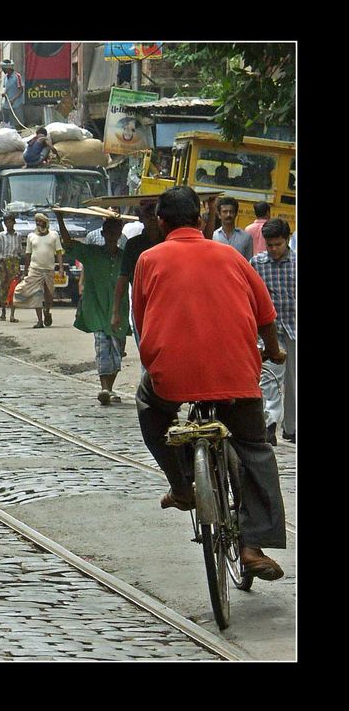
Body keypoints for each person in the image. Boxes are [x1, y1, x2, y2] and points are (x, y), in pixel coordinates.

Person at [132, 186, 287, 580]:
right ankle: (253, 546)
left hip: (172, 377)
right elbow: (265, 314)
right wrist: (274, 350)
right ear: (202, 221)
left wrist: (157, 360)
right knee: (254, 447)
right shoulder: (231, 256)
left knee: (149, 408)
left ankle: (182, 486)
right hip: (237, 373)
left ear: (161, 223)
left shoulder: (148, 259)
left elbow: (141, 320)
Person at [56, 210, 131, 405]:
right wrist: (60, 218)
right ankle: (104, 388)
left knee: (117, 349)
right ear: (104, 233)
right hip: (97, 308)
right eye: (109, 231)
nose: (112, 236)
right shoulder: (92, 253)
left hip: (119, 309)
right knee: (102, 347)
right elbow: (69, 244)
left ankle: (110, 387)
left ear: (120, 234)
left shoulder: (126, 257)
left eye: (116, 232)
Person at [251, 218, 296, 445]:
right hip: (269, 330)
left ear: (286, 240)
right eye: (270, 245)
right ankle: (269, 423)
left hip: (294, 327)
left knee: (293, 380)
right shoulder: (257, 264)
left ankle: (291, 427)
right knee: (270, 378)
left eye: (277, 244)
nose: (273, 249)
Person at [110, 199, 164, 368]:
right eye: (148, 215)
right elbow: (123, 277)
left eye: (155, 214)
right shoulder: (134, 245)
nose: (152, 218)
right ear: (141, 218)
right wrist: (116, 311)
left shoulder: (169, 241)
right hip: (142, 305)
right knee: (146, 349)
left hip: (167, 303)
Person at [12, 213, 64, 328]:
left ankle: (47, 311)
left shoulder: (54, 235)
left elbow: (59, 252)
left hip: (49, 269)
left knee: (49, 294)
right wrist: (25, 271)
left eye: (41, 221)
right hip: (35, 269)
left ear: (46, 223)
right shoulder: (31, 236)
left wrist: (61, 267)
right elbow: (28, 254)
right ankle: (39, 320)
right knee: (37, 295)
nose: (39, 223)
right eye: (37, 221)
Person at [0, 212, 24, 323]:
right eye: (6, 222)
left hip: (14, 263)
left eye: (10, 222)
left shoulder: (18, 236)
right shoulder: (1, 236)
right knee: (3, 287)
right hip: (3, 263)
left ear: (14, 223)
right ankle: (3, 311)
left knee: (14, 288)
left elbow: (20, 251)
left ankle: (12, 314)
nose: (8, 224)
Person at [0, 59, 25, 128]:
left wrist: (13, 99)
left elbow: (20, 90)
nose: (3, 70)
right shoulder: (5, 78)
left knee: (17, 124)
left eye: (3, 68)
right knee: (6, 123)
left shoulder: (17, 76)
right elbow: (5, 88)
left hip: (16, 105)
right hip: (7, 105)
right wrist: (4, 93)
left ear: (8, 68)